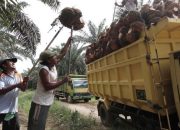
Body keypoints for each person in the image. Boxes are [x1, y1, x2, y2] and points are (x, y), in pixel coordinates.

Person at [28, 36, 72, 130]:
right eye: (54, 57)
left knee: (41, 125)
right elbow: (47, 86)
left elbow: (62, 53)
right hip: (40, 103)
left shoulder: (53, 66)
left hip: (47, 101)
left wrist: (68, 42)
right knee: (35, 126)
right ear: (48, 60)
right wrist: (63, 81)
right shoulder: (44, 70)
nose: (57, 57)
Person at [0, 57, 29, 130]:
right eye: (10, 61)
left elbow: (23, 89)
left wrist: (25, 82)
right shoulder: (1, 76)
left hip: (12, 109)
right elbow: (1, 91)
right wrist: (16, 85)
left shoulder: (18, 75)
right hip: (1, 108)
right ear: (4, 65)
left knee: (15, 127)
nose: (13, 63)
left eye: (14, 61)